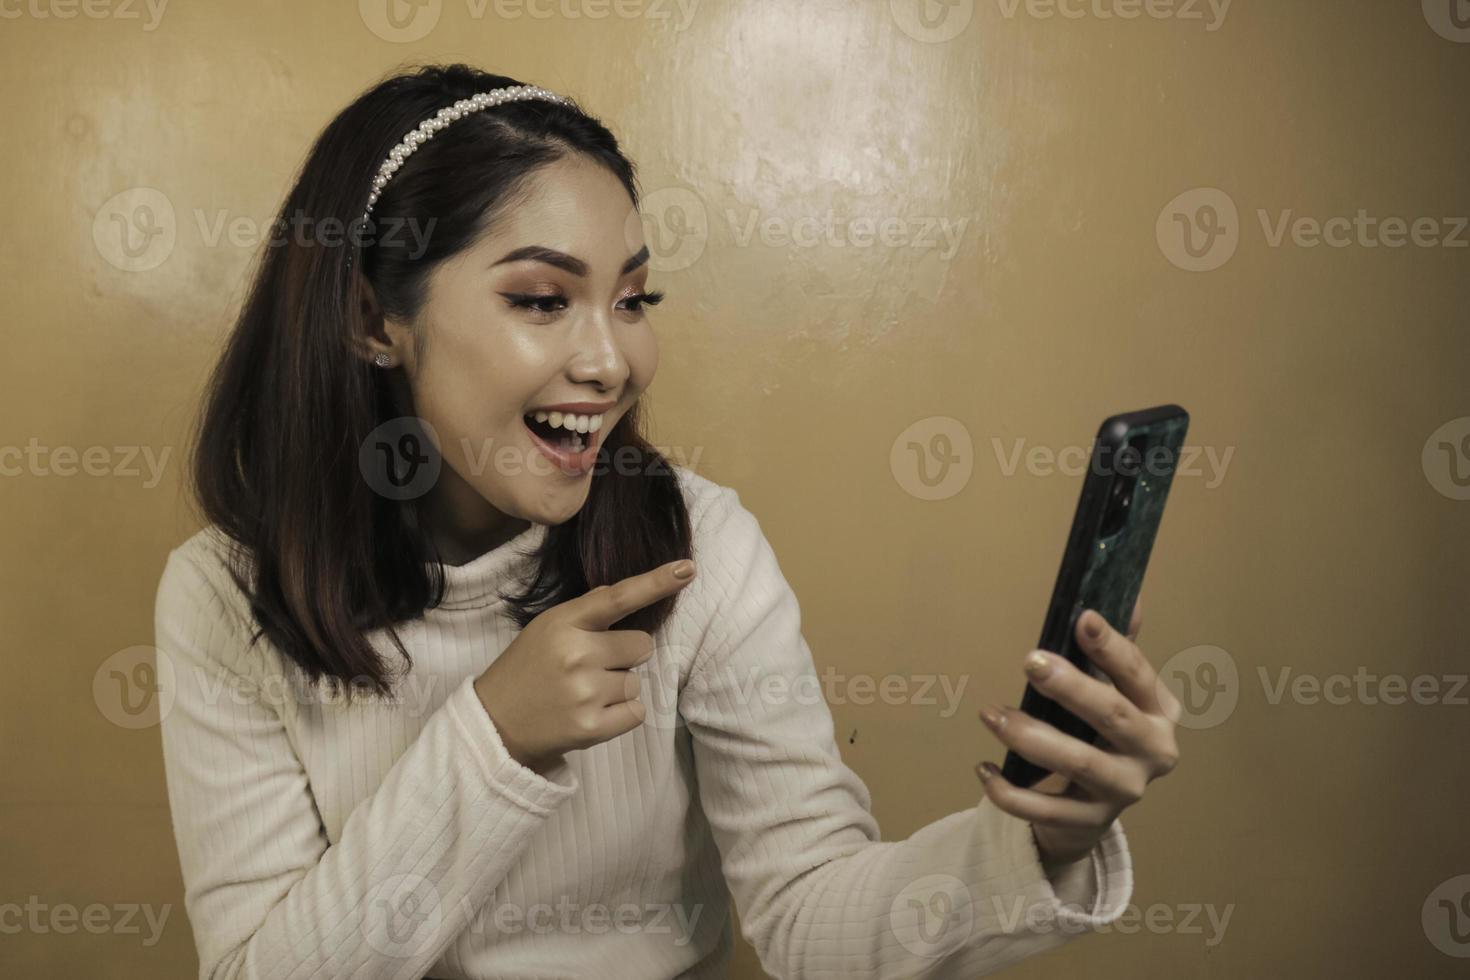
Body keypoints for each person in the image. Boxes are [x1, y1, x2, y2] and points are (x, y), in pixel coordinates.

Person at [154, 62, 1180, 980]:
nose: (612, 362)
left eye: (635, 299)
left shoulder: (702, 546)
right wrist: (492, 737)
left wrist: (1040, 843)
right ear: (374, 318)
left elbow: (810, 913)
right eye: (544, 299)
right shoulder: (221, 596)